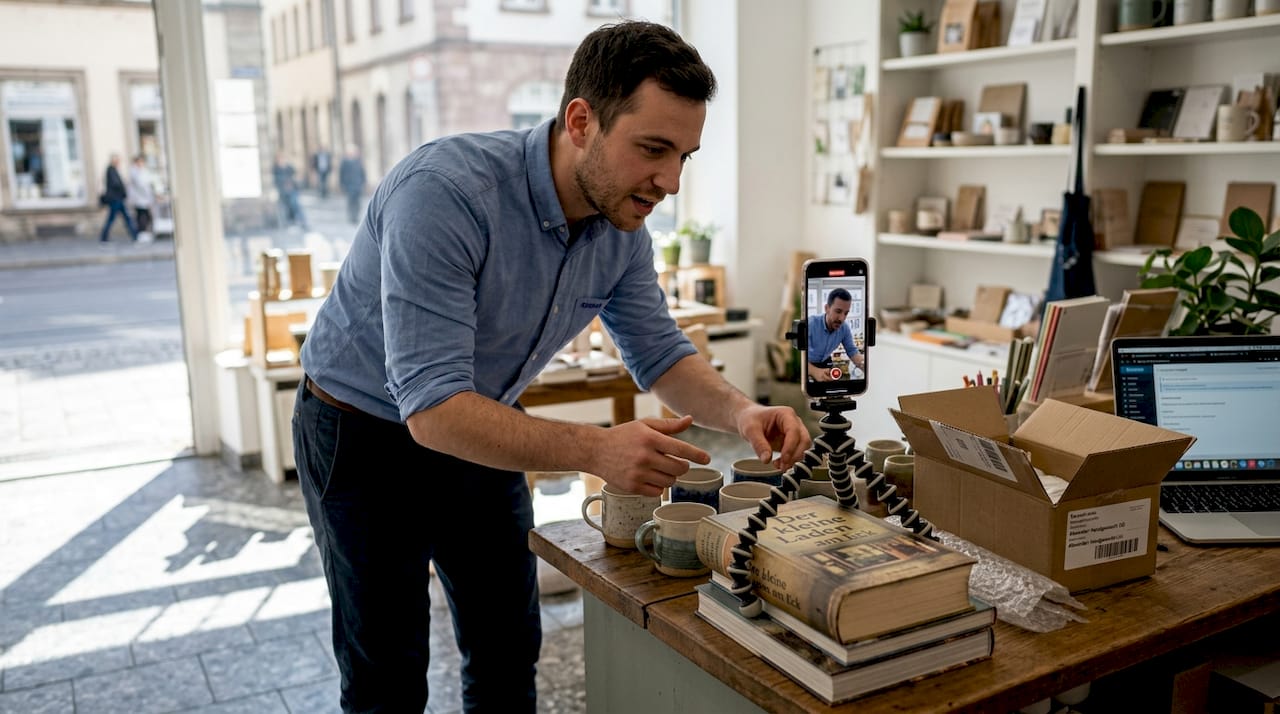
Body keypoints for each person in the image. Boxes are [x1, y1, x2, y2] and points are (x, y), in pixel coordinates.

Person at [293, 20, 811, 713]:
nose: (671, 182)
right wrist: (596, 449)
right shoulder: (444, 194)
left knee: (507, 652)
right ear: (580, 121)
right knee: (386, 673)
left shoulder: (622, 226)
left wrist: (742, 410)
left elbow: (658, 352)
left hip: (482, 422)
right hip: (361, 434)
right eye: (653, 149)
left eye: (685, 156)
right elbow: (433, 409)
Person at [806, 288, 865, 382]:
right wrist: (814, 371)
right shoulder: (810, 324)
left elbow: (852, 351)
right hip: (807, 363)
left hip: (826, 361)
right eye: (838, 311)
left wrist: (865, 364)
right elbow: (799, 357)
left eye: (846, 313)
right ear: (827, 309)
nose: (841, 318)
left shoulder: (844, 328)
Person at [99, 153, 137, 243]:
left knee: (125, 218)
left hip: (117, 199)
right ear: (114, 161)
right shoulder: (111, 170)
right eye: (117, 160)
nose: (119, 162)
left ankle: (135, 236)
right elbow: (116, 184)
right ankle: (135, 236)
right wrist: (123, 188)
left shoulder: (113, 170)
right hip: (116, 199)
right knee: (114, 219)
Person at [272, 152, 309, 230]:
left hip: (292, 190)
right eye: (280, 159)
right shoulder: (276, 169)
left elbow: (296, 176)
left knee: (295, 204)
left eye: (282, 158)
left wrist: (292, 182)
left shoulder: (289, 167)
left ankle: (302, 222)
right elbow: (276, 180)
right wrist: (284, 182)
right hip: (283, 192)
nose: (281, 160)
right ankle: (290, 221)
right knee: (286, 207)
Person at [127, 155, 155, 241]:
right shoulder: (134, 172)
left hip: (144, 198)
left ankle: (144, 233)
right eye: (139, 162)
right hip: (139, 198)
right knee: (142, 216)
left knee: (145, 216)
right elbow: (141, 185)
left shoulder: (143, 171)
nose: (141, 163)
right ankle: (142, 234)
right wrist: (149, 195)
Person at [337, 144, 366, 224]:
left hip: (358, 184)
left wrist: (363, 182)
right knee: (350, 201)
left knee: (357, 202)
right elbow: (341, 173)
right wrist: (342, 184)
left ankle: (356, 216)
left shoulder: (359, 161)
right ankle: (351, 216)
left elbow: (362, 172)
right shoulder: (344, 162)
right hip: (349, 185)